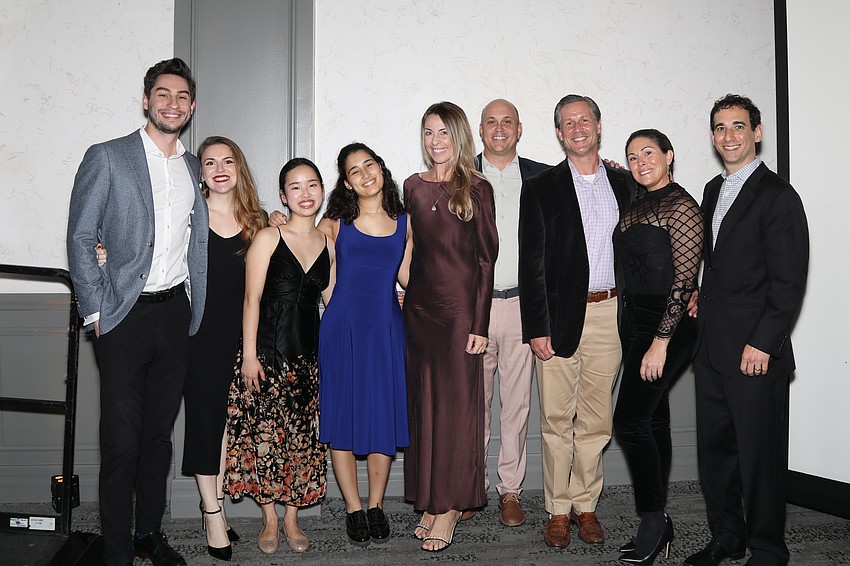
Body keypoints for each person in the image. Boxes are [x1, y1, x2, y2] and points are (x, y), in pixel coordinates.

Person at [94, 136, 265, 561]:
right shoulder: (191, 213)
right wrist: (105, 256)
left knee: (227, 427)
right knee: (205, 422)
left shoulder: (260, 221)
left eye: (229, 160)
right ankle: (211, 513)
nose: (220, 168)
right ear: (199, 171)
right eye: (210, 162)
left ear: (240, 167)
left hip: (247, 335)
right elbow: (144, 234)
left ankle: (214, 511)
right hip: (198, 330)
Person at [67, 57, 204, 566]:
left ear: (192, 107)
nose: (172, 103)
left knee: (158, 439)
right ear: (146, 100)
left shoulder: (193, 168)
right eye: (163, 95)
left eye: (182, 97)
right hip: (122, 317)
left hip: (176, 315)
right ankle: (118, 551)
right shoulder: (107, 157)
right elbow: (81, 237)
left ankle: (149, 535)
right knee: (121, 442)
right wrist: (96, 311)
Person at [684, 95, 808, 566]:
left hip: (755, 351)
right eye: (719, 127)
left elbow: (788, 280)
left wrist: (764, 341)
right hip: (712, 347)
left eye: (738, 126)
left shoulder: (778, 196)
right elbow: (719, 264)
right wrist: (701, 293)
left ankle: (770, 551)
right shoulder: (713, 190)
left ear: (757, 132)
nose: (728, 135)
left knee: (759, 459)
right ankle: (727, 538)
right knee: (716, 455)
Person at [518, 94, 633, 549]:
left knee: (596, 420)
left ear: (598, 126)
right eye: (569, 122)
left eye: (585, 119)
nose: (578, 127)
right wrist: (537, 327)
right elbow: (532, 265)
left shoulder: (626, 185)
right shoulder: (542, 187)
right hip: (560, 316)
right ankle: (558, 510)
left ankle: (587, 506)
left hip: (611, 314)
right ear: (560, 134)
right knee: (555, 418)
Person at [225, 158, 335, 555]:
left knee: (303, 442)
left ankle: (292, 519)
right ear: (283, 195)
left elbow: (334, 303)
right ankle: (270, 519)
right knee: (266, 441)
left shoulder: (328, 243)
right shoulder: (269, 238)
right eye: (295, 187)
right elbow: (251, 300)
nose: (305, 194)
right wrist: (250, 356)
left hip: (308, 359)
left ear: (322, 191)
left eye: (312, 185)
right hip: (267, 356)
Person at [403, 101, 498, 552]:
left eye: (443, 133)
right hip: (420, 311)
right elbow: (406, 244)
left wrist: (480, 322)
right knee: (426, 406)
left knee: (458, 410)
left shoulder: (478, 188)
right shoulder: (412, 187)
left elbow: (485, 260)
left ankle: (452, 507)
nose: (435, 142)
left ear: (459, 137)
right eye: (428, 133)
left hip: (461, 312)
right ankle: (431, 498)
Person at [612, 129, 703, 565]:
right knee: (653, 421)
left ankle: (654, 521)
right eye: (631, 156)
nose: (640, 161)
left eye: (649, 152)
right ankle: (658, 517)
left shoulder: (682, 206)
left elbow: (685, 281)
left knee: (628, 422)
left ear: (670, 155)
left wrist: (661, 341)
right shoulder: (638, 200)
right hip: (635, 320)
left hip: (667, 324)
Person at [317, 142, 412, 546]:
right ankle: (353, 508)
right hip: (342, 327)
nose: (364, 174)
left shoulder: (406, 222)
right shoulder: (335, 221)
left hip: (386, 328)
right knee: (343, 417)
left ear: (381, 168)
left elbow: (410, 278)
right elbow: (303, 247)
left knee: (380, 417)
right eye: (354, 170)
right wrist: (279, 218)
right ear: (346, 182)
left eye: (368, 165)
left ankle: (375, 505)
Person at [475, 99, 550, 527]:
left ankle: (510, 492)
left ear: (519, 129)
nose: (499, 129)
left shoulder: (544, 176)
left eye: (507, 122)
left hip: (525, 305)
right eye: (491, 122)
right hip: (476, 309)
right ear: (480, 130)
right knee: (476, 406)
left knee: (517, 406)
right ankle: (473, 488)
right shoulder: (459, 175)